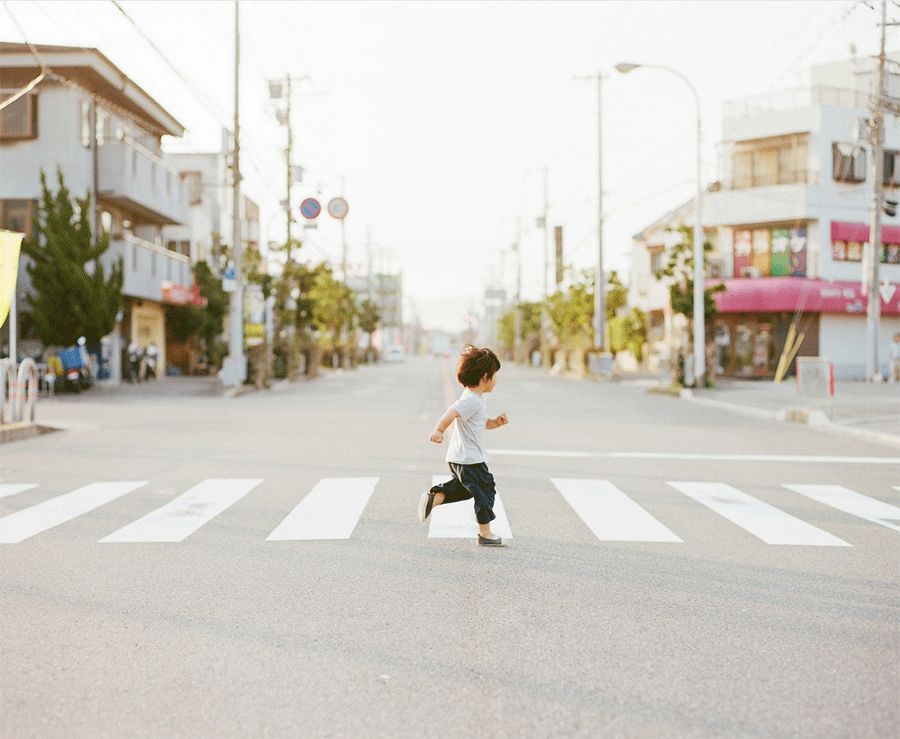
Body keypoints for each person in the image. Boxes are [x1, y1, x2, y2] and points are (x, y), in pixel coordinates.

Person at [420, 345, 509, 547]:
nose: (496, 379)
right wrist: (439, 429)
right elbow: (452, 411)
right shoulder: (472, 401)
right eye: (495, 375)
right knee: (486, 489)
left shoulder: (474, 399)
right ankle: (485, 533)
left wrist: (495, 422)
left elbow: (479, 423)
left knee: (466, 490)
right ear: (486, 377)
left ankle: (435, 498)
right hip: (470, 460)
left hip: (460, 458)